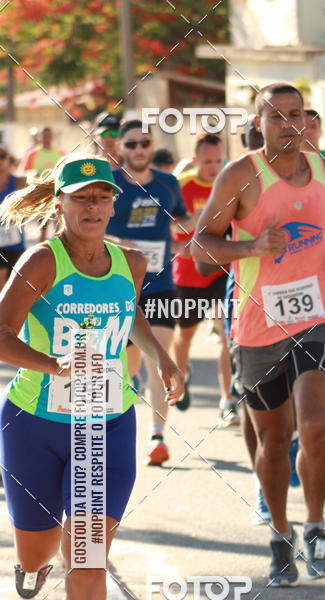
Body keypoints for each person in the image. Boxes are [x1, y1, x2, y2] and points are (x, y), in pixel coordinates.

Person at [0, 154, 183, 600]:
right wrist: (53, 364)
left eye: (102, 197)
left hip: (104, 423)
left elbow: (130, 318)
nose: (93, 207)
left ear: (113, 203)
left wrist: (161, 357)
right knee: (36, 548)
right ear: (59, 204)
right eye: (81, 198)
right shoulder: (40, 262)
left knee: (87, 554)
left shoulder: (129, 260)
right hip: (34, 423)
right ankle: (30, 568)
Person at [192, 82, 325, 586]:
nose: (290, 123)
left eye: (297, 114)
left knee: (313, 425)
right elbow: (201, 246)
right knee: (275, 438)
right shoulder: (241, 176)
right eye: (277, 115)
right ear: (257, 123)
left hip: (319, 315)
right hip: (258, 323)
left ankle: (317, 527)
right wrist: (253, 248)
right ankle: (280, 535)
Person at [106, 119, 199, 465]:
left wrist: (206, 218)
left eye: (144, 143)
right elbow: (84, 227)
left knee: (159, 358)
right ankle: (125, 397)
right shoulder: (109, 184)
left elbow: (180, 221)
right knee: (127, 364)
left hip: (159, 285)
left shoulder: (168, 183)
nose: (139, 150)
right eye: (131, 145)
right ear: (120, 149)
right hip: (116, 287)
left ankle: (157, 436)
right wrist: (119, 242)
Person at [171, 133, 237, 423]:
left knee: (227, 336)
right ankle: (181, 375)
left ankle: (228, 400)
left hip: (224, 271)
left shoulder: (232, 183)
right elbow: (169, 226)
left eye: (218, 161)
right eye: (207, 161)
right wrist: (190, 228)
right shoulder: (181, 185)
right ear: (195, 160)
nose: (213, 167)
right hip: (189, 274)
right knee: (185, 335)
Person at [0, 144, 26, 291]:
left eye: (2, 156)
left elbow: (37, 206)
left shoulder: (19, 183)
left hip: (16, 244)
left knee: (14, 283)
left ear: (9, 160)